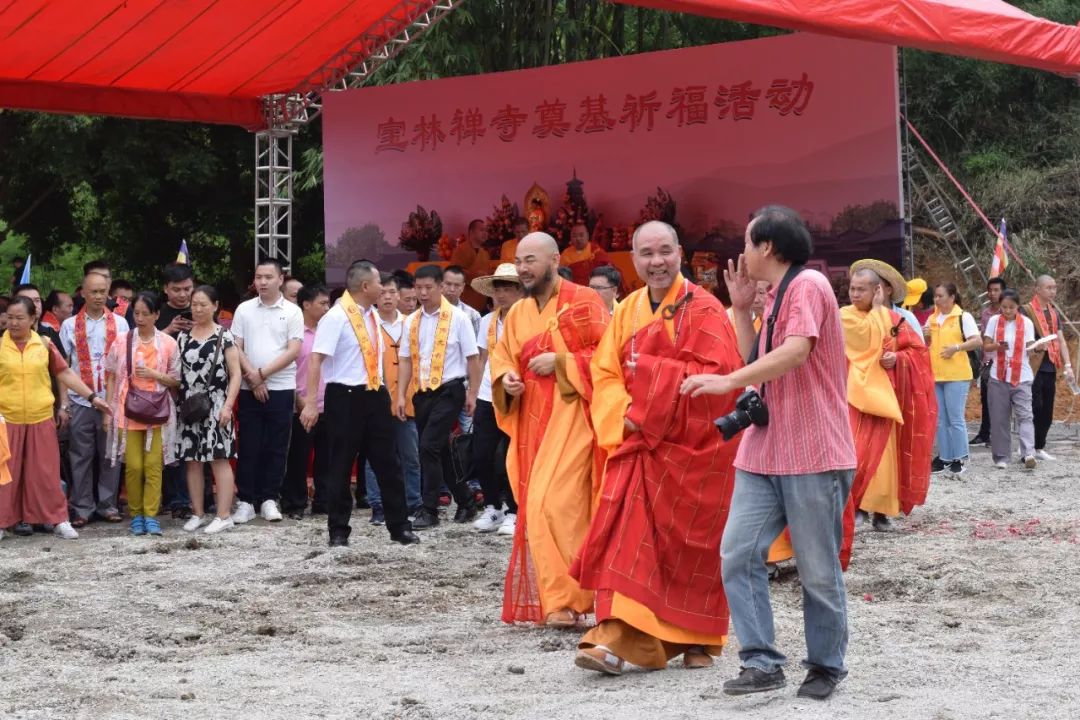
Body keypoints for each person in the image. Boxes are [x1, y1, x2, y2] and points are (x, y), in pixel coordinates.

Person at [681, 206, 856, 701]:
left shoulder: (809, 287)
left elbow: (797, 351)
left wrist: (728, 382)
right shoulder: (775, 294)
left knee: (817, 567)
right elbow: (757, 362)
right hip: (763, 451)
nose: (741, 252)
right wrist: (740, 310)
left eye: (747, 241)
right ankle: (761, 661)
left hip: (812, 450)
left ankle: (825, 665)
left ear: (768, 248)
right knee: (737, 553)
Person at [571, 221, 743, 675]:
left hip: (693, 447)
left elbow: (721, 375)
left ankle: (700, 637)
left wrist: (646, 388)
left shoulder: (705, 309)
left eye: (664, 251)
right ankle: (612, 638)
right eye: (646, 254)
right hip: (639, 446)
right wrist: (625, 416)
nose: (656, 261)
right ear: (634, 259)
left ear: (680, 252)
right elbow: (605, 374)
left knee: (694, 549)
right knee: (626, 541)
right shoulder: (626, 310)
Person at [491, 232, 610, 626]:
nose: (523, 268)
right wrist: (507, 379)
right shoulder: (520, 314)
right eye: (519, 261)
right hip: (532, 421)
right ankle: (558, 601)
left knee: (558, 505)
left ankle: (576, 595)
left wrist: (561, 362)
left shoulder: (585, 301)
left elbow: (609, 356)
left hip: (576, 417)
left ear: (555, 259)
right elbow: (503, 358)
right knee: (536, 509)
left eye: (531, 260)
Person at [300, 261, 418, 547]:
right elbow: (316, 358)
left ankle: (399, 526)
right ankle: (338, 530)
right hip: (345, 396)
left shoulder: (373, 315)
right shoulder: (337, 316)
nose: (384, 288)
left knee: (388, 463)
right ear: (365, 286)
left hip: (375, 394)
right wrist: (312, 404)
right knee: (340, 464)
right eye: (379, 283)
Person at [0, 297, 108, 541]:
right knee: (6, 473)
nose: (13, 322)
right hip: (8, 419)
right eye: (10, 317)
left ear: (32, 319)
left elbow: (65, 373)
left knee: (46, 472)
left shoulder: (45, 344)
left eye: (20, 318)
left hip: (40, 416)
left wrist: (92, 397)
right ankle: (2, 522)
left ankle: (58, 519)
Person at [843, 262, 937, 536]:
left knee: (885, 458)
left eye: (863, 289)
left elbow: (919, 354)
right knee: (857, 453)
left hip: (888, 398)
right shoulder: (845, 316)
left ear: (879, 291)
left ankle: (882, 513)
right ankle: (856, 507)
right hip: (855, 398)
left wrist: (897, 358)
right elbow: (857, 345)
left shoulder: (897, 322)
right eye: (852, 288)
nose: (855, 294)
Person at [397, 264, 482, 528]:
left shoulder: (458, 318)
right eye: (418, 288)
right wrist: (400, 395)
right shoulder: (411, 321)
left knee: (427, 447)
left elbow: (473, 358)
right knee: (440, 451)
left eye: (428, 288)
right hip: (422, 394)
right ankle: (466, 501)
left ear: (440, 287)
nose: (423, 293)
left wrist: (473, 393)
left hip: (450, 389)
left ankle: (429, 509)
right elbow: (405, 360)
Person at [230, 259, 303, 524]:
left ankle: (270, 498)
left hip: (282, 387)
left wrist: (262, 375)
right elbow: (236, 346)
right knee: (249, 444)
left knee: (276, 445)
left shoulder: (293, 311)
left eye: (268, 277)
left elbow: (293, 350)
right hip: (250, 387)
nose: (262, 282)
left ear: (280, 279)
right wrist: (253, 378)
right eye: (258, 277)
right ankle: (246, 500)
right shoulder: (244, 309)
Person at [104, 292, 181, 536]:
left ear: (157, 315)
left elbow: (176, 381)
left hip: (158, 413)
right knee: (134, 467)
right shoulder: (122, 340)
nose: (140, 318)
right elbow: (111, 375)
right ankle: (136, 514)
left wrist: (153, 374)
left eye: (145, 314)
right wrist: (108, 409)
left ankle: (150, 515)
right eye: (136, 313)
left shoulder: (168, 343)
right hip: (128, 411)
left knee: (153, 466)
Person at [60, 270, 129, 526]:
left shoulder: (121, 324)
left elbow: (124, 363)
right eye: (94, 292)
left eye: (103, 291)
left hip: (110, 401)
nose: (99, 296)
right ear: (83, 293)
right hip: (81, 401)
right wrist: (65, 402)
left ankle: (107, 504)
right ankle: (82, 507)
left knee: (110, 455)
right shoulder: (69, 325)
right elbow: (63, 367)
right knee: (80, 455)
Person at [176, 286, 241, 534]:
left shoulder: (224, 336)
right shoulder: (183, 337)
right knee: (192, 460)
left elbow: (235, 375)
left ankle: (224, 515)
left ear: (215, 306)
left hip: (216, 405)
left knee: (218, 459)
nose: (198, 309)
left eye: (203, 304)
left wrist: (227, 406)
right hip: (190, 407)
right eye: (194, 304)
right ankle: (198, 513)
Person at [468, 264, 523, 535]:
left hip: (518, 395)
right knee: (482, 453)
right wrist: (473, 392)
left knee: (512, 455)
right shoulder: (488, 321)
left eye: (507, 289)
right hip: (487, 395)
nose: (501, 295)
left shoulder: (528, 318)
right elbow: (480, 359)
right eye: (497, 290)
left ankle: (515, 510)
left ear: (519, 290)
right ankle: (493, 506)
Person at [363, 274, 422, 523]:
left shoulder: (411, 324)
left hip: (407, 399)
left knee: (411, 456)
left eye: (392, 292)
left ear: (400, 295)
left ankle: (413, 502)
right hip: (376, 400)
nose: (387, 297)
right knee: (375, 457)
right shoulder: (367, 323)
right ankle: (378, 505)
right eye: (383, 292)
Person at [282, 284, 331, 520]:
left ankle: (323, 501)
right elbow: (286, 371)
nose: (326, 308)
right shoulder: (293, 334)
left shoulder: (329, 330)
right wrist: (299, 401)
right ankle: (295, 503)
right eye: (322, 303)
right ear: (306, 305)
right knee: (298, 458)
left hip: (328, 404)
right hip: (299, 404)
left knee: (327, 457)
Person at [924, 282, 981, 476]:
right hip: (936, 375)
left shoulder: (963, 317)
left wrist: (956, 348)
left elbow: (976, 340)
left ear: (952, 297)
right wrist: (925, 337)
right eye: (935, 296)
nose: (936, 299)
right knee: (940, 419)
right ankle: (945, 456)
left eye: (940, 296)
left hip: (957, 375)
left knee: (955, 418)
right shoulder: (932, 318)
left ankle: (961, 457)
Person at [156, 262, 198, 519]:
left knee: (195, 445)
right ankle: (173, 499)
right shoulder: (156, 313)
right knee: (169, 447)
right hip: (163, 391)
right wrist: (169, 331)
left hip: (196, 390)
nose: (183, 295)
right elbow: (140, 345)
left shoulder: (201, 310)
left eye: (187, 289)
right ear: (165, 289)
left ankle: (199, 497)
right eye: (176, 289)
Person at [984, 289, 1038, 469]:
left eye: (1011, 307)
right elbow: (986, 345)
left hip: (1022, 376)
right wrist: (997, 346)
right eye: (1004, 307)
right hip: (998, 376)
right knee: (999, 418)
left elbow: (1030, 346)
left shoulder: (1027, 323)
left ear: (1018, 307)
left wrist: (1038, 347)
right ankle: (1001, 457)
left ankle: (1028, 453)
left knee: (1025, 416)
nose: (1007, 311)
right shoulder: (993, 321)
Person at [1023, 275, 1074, 461]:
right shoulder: (1026, 311)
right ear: (1038, 289)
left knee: (1047, 410)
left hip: (1050, 366)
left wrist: (1068, 365)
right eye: (1048, 287)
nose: (1053, 291)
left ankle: (1039, 446)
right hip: (1033, 366)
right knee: (1034, 407)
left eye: (1054, 287)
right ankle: (1027, 446)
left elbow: (1060, 340)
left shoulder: (1053, 312)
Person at [971, 277, 1005, 447]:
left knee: (999, 400)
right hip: (987, 363)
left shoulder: (1009, 312)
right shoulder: (985, 313)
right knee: (985, 399)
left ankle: (996, 435)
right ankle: (984, 433)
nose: (992, 293)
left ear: (1003, 292)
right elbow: (984, 338)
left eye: (996, 290)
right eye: (990, 290)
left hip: (1003, 363)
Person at [449, 219, 493, 311]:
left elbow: (487, 274)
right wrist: (477, 276)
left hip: (481, 302)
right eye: (481, 230)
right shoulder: (461, 250)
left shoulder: (485, 253)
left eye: (486, 231)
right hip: (465, 301)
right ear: (471, 232)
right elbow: (455, 272)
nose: (485, 233)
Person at [14, 284, 63, 351]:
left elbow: (62, 360)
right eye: (28, 301)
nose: (34, 305)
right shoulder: (6, 337)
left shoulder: (50, 333)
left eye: (37, 300)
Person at [560, 222, 611, 286]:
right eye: (574, 236)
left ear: (587, 236)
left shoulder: (596, 251)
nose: (578, 239)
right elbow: (560, 276)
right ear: (570, 237)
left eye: (581, 235)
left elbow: (608, 272)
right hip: (574, 290)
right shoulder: (565, 254)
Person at [442, 265, 483, 335]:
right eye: (448, 284)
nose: (452, 289)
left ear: (463, 287)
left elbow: (477, 344)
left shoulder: (473, 315)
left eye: (457, 285)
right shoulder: (429, 312)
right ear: (441, 284)